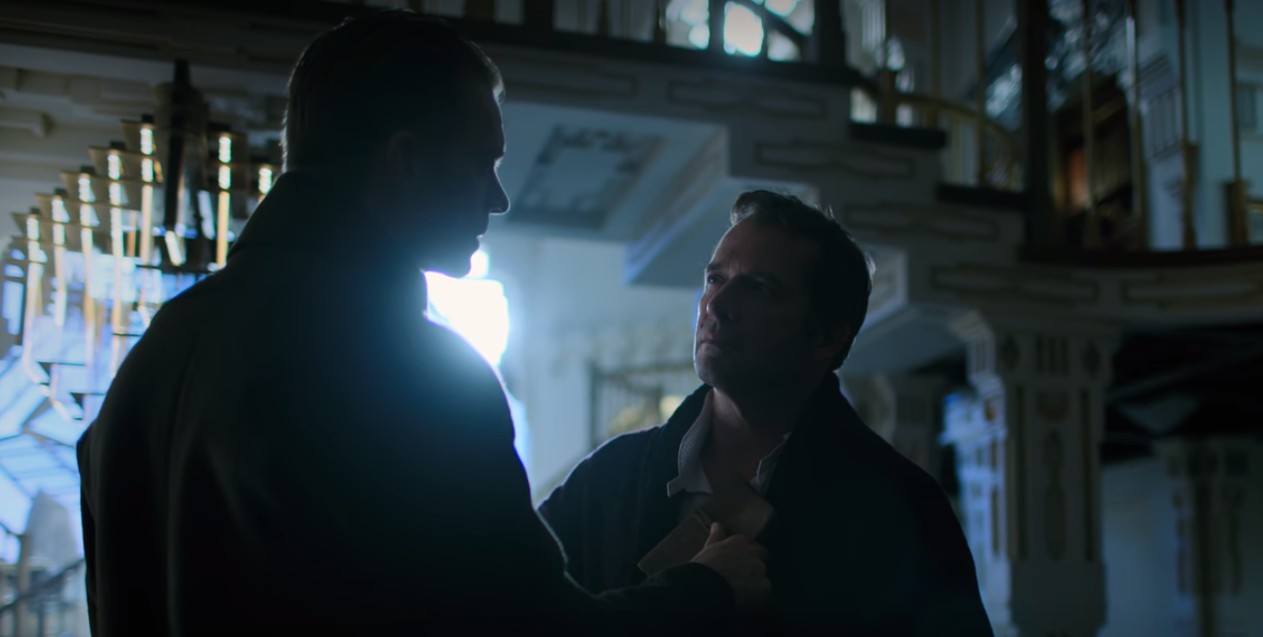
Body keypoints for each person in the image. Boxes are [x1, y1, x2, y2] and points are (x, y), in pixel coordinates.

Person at [76, 11, 769, 635]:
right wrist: (705, 590)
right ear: (406, 162)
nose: (497, 198)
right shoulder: (411, 368)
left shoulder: (152, 357)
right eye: (483, 163)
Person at [539, 191, 994, 636]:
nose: (716, 305)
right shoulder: (612, 474)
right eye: (714, 279)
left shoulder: (899, 507)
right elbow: (516, 612)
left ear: (824, 338)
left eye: (759, 288)